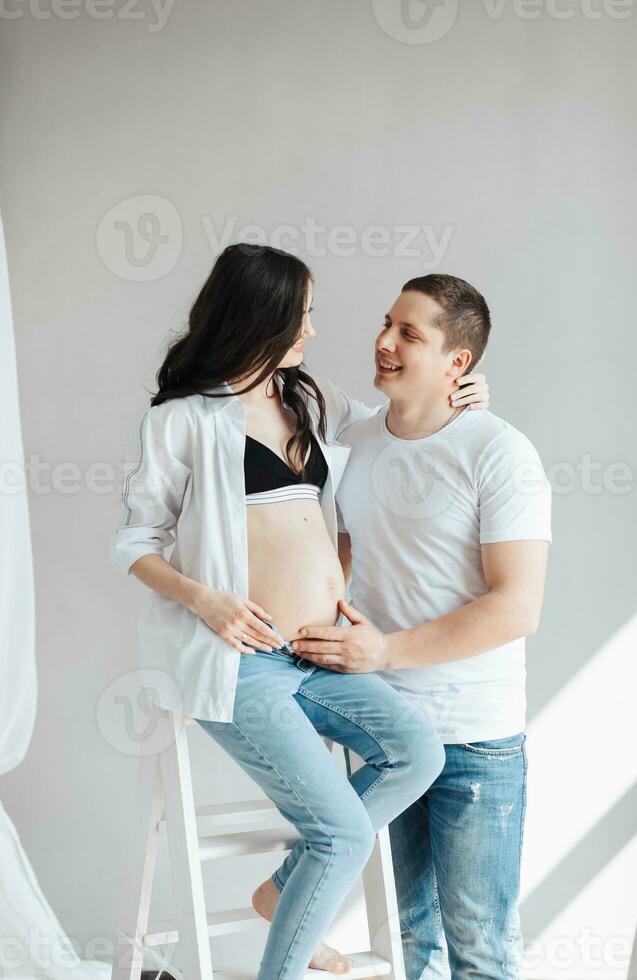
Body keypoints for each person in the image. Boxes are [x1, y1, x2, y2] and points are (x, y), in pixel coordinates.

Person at [110, 246, 491, 980]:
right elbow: (135, 542)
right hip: (241, 662)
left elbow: (394, 423)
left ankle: (284, 895)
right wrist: (208, 599)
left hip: (318, 650)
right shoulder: (184, 420)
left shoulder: (311, 399)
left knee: (419, 753)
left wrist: (465, 393)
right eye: (303, 315)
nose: (311, 331)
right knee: (342, 835)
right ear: (262, 316)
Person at [288, 274, 552, 979]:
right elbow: (335, 561)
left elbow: (517, 605)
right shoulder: (354, 441)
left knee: (481, 949)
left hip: (475, 738)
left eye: (411, 334)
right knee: (411, 946)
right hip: (385, 730)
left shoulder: (500, 453)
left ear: (457, 363)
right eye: (386, 324)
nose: (383, 342)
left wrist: (386, 649)